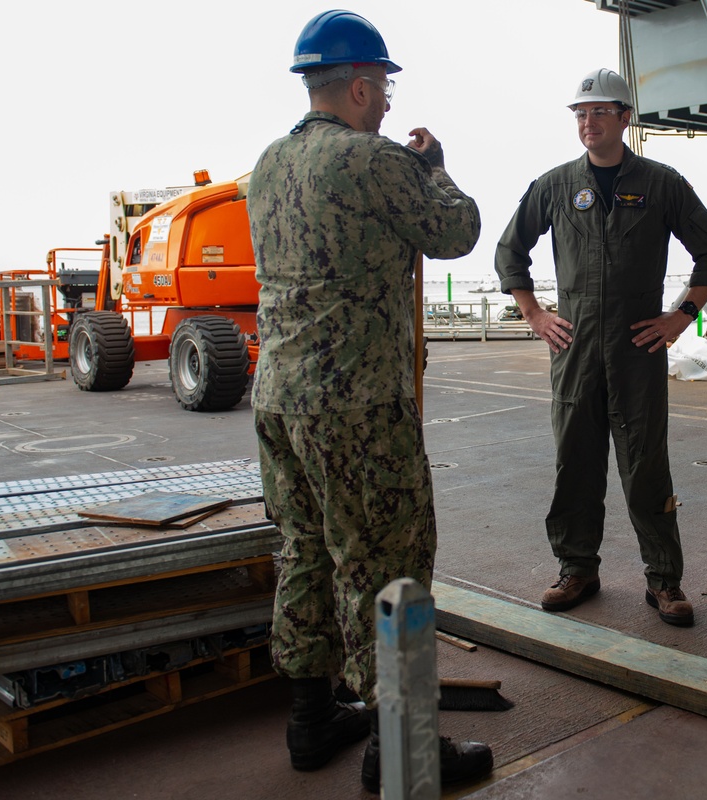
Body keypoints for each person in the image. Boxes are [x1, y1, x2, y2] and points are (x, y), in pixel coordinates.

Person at [246, 9, 492, 792]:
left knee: (307, 550)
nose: (385, 102)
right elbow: (457, 232)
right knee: (387, 560)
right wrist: (435, 168)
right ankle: (403, 744)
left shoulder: (267, 164)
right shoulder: (369, 160)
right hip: (355, 404)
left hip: (280, 398)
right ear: (356, 86)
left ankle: (311, 717)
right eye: (381, 87)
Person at [494, 68, 707, 627]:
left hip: (636, 350)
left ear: (625, 118)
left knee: (646, 465)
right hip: (574, 350)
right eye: (580, 113)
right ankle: (577, 568)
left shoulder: (661, 183)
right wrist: (534, 314)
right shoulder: (553, 186)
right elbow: (510, 253)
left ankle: (664, 580)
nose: (588, 121)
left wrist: (681, 316)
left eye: (600, 111)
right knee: (574, 462)